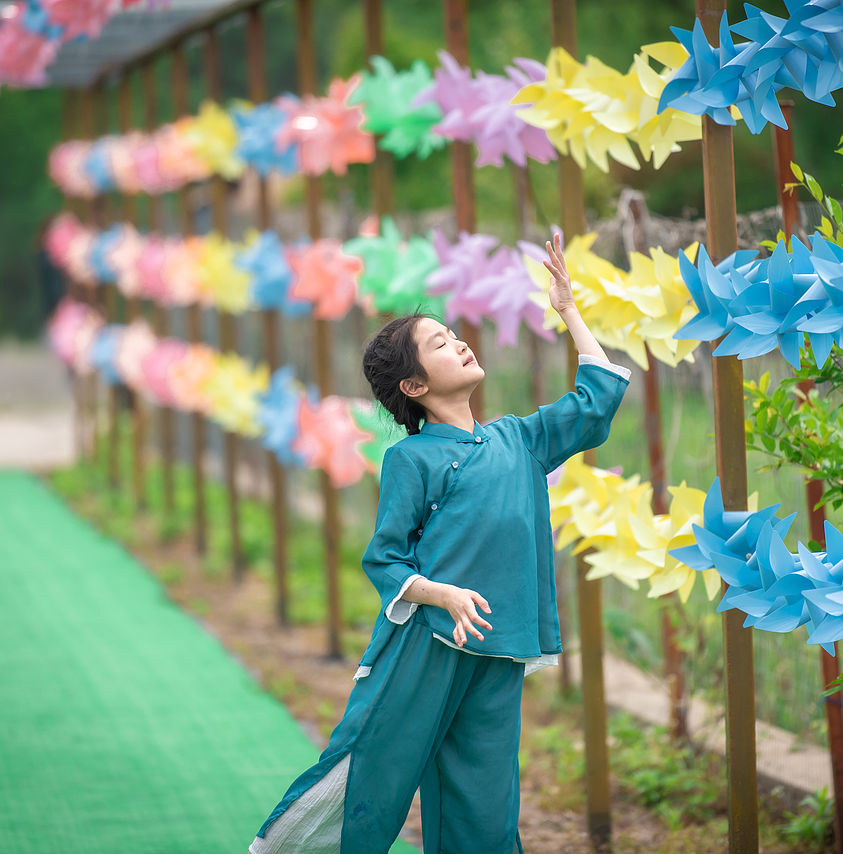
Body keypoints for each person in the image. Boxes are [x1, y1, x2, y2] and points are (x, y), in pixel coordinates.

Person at [248, 235, 630, 854]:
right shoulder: (411, 459)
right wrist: (442, 595)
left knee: (485, 798)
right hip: (425, 645)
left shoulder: (520, 439)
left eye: (454, 334)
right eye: (438, 343)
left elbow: (596, 401)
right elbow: (385, 558)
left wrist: (569, 311)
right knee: (373, 768)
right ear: (416, 387)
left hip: (497, 644)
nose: (459, 341)